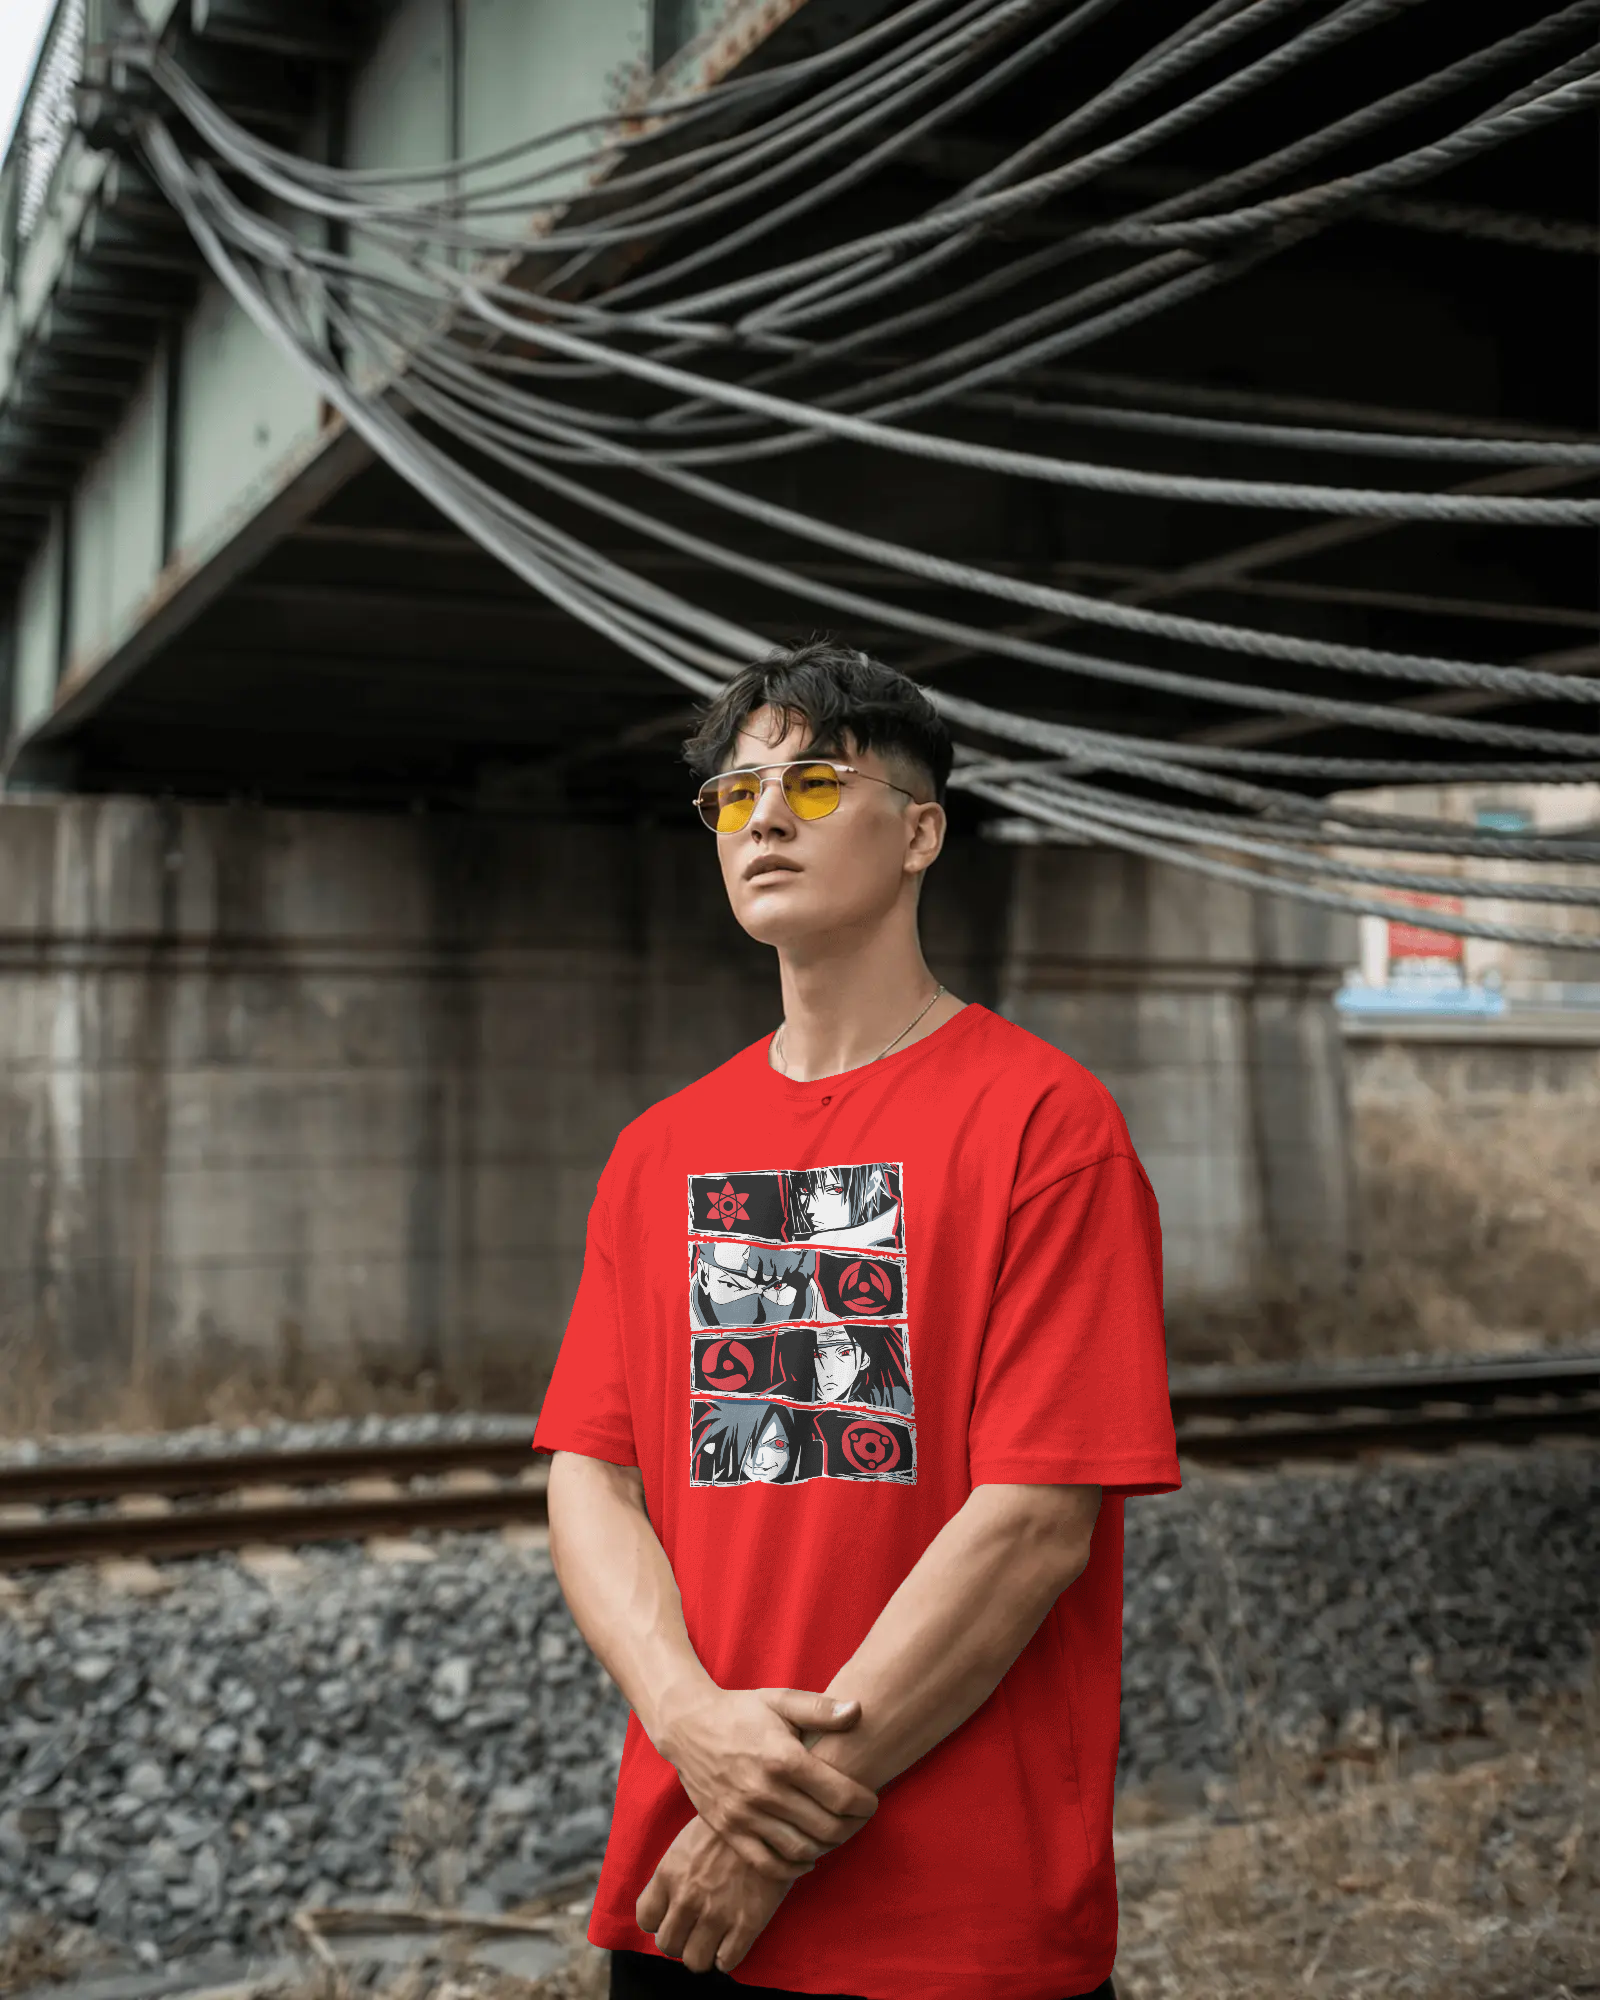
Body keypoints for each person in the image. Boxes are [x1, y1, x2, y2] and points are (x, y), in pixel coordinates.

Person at [533, 642, 1178, 2000]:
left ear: (921, 832)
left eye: (817, 784)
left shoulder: (1047, 1127)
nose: (764, 816)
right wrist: (688, 1723)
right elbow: (591, 1474)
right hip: (680, 1898)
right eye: (735, 794)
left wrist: (773, 1820)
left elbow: (1033, 1522)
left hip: (954, 1922)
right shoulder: (657, 1151)